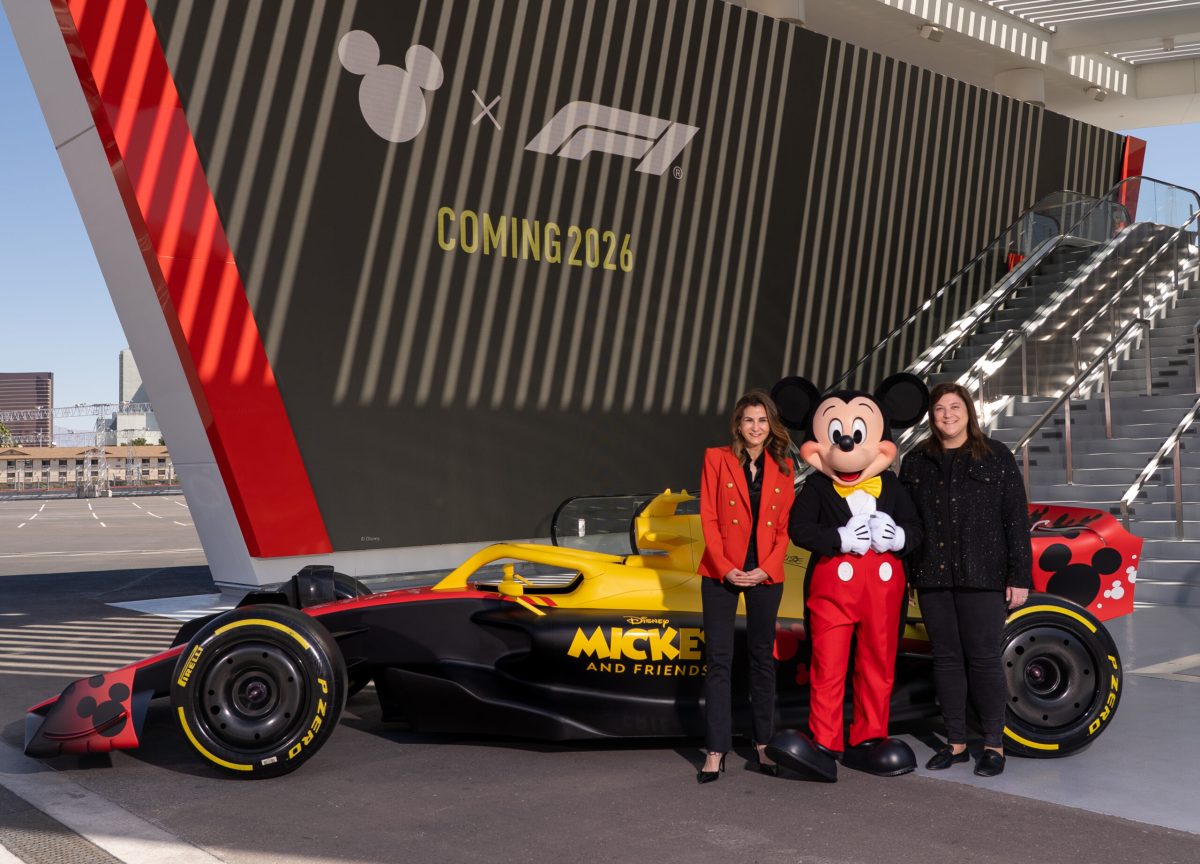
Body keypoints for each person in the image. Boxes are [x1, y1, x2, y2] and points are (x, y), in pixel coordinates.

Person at [898, 382, 1032, 778]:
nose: (947, 415)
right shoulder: (916, 461)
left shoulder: (996, 456)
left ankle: (993, 744)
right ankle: (955, 742)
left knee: (985, 661)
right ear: (931, 416)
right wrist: (908, 575)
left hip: (984, 576)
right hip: (933, 576)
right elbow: (910, 524)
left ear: (969, 412)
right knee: (946, 660)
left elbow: (1015, 520)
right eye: (940, 409)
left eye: (955, 407)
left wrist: (1018, 575)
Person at [696, 390, 795, 783]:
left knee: (761, 660)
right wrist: (726, 568)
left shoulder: (784, 466)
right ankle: (716, 749)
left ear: (771, 425)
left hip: (764, 574)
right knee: (718, 660)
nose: (756, 427)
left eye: (762, 420)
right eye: (748, 420)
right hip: (722, 570)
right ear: (738, 425)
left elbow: (784, 529)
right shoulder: (715, 459)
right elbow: (707, 516)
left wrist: (766, 569)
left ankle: (762, 743)